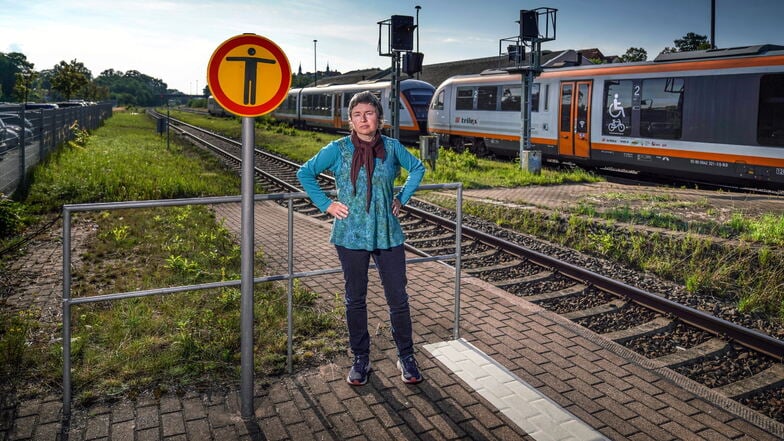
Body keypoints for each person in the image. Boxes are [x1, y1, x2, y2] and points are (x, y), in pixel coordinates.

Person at [296, 91, 426, 386]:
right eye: (357, 115)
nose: (363, 119)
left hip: (387, 233)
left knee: (398, 299)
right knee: (355, 299)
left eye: (369, 113)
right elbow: (305, 173)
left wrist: (402, 197)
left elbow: (417, 168)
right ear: (351, 121)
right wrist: (326, 204)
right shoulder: (338, 149)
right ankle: (361, 359)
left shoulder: (392, 147)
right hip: (351, 234)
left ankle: (406, 356)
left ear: (379, 118)